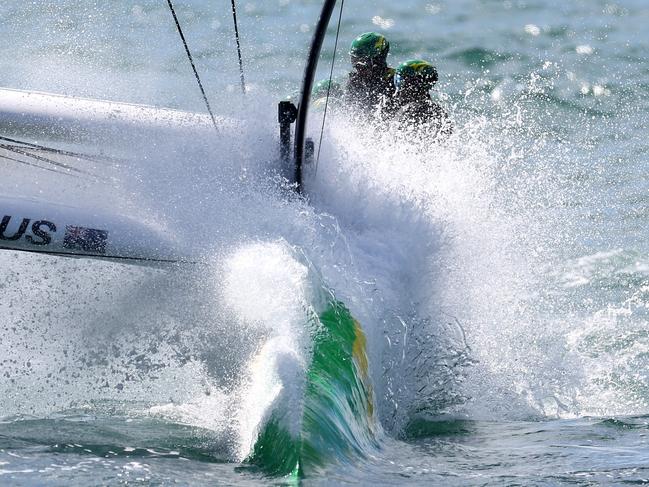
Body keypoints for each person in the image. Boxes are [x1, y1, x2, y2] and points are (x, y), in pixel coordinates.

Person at [389, 59, 452, 138]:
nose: (399, 89)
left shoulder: (409, 109)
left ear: (415, 84)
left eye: (402, 82)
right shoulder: (438, 111)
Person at [345, 32, 396, 114]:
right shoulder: (354, 82)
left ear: (378, 60)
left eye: (362, 62)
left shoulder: (393, 81)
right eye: (354, 61)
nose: (358, 68)